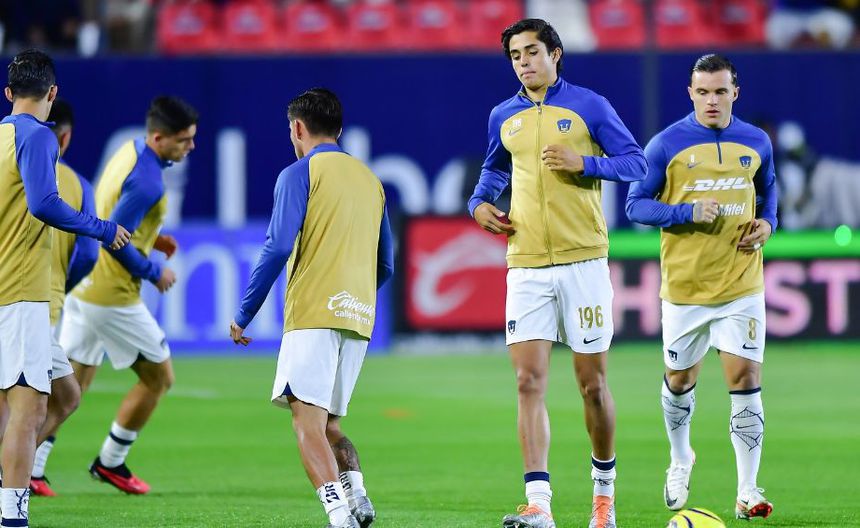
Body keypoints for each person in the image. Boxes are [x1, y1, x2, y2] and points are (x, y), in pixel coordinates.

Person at [468, 18, 646, 528]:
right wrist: (479, 203)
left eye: (532, 52)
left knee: (592, 385)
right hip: (525, 264)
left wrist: (584, 164)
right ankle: (539, 504)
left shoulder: (590, 105)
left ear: (555, 54)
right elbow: (494, 169)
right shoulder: (504, 115)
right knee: (528, 381)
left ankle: (604, 499)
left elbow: (636, 164)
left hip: (583, 261)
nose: (523, 62)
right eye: (515, 56)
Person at [230, 88, 394, 528]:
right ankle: (357, 493)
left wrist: (244, 313)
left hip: (313, 314)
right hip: (358, 317)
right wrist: (355, 296)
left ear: (298, 128)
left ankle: (339, 516)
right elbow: (386, 264)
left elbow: (277, 246)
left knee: (306, 425)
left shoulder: (298, 173)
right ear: (339, 129)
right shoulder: (371, 181)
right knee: (329, 426)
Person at [625, 54, 777, 520]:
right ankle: (680, 458)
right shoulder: (665, 145)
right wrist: (685, 212)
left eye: (720, 91)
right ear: (690, 93)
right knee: (679, 380)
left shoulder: (757, 142)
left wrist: (768, 222)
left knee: (745, 380)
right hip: (685, 290)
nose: (712, 100)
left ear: (735, 93)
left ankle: (747, 490)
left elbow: (769, 190)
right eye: (703, 92)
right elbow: (635, 205)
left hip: (741, 283)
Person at [0, 49, 129, 528]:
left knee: (66, 394)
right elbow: (43, 203)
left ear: (9, 93)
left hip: (12, 292)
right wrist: (102, 228)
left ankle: (7, 481)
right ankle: (12, 516)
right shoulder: (38, 135)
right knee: (28, 408)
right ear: (52, 93)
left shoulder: (1, 135)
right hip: (21, 292)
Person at [55, 95, 195, 494]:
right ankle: (111, 461)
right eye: (184, 140)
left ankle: (31, 468)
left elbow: (114, 213)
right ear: (159, 138)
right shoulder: (148, 181)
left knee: (72, 386)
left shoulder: (130, 150)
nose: (191, 146)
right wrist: (153, 270)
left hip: (85, 286)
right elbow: (114, 239)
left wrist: (152, 238)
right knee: (159, 377)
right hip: (110, 294)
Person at [27, 98, 100, 497]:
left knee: (56, 396)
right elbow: (87, 254)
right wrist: (62, 286)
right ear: (66, 137)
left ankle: (13, 475)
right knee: (38, 404)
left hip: (21, 300)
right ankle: (13, 482)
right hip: (36, 303)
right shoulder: (74, 184)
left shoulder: (8, 161)